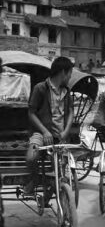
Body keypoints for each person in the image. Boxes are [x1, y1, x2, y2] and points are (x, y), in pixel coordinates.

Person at [25, 57, 74, 195]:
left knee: (60, 170)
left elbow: (71, 112)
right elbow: (31, 113)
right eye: (70, 73)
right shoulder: (40, 88)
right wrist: (45, 131)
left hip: (60, 136)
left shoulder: (66, 91)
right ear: (63, 72)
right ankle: (34, 180)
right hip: (40, 133)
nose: (70, 77)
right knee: (31, 157)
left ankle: (50, 195)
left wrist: (66, 131)